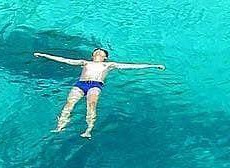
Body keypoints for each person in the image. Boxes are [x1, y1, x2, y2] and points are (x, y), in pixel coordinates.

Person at [33, 47, 165, 139]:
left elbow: (130, 66)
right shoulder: (84, 62)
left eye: (101, 53)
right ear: (92, 55)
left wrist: (153, 66)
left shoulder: (108, 65)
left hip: (95, 85)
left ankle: (88, 130)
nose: (98, 53)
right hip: (80, 84)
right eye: (96, 52)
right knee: (69, 104)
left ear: (105, 57)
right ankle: (60, 127)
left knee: (91, 104)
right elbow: (64, 60)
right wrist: (44, 55)